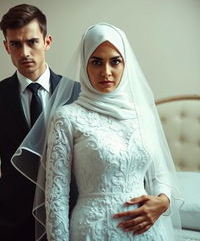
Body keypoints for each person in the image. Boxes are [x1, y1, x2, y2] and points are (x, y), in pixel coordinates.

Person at [44, 23, 183, 240]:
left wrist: (163, 201)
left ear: (125, 64)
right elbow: (56, 195)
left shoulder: (143, 114)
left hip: (147, 231)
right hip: (93, 230)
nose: (106, 72)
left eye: (115, 61)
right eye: (96, 62)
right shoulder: (68, 117)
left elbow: (160, 172)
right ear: (85, 64)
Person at [0, 4, 80, 241]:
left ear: (47, 42)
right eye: (15, 44)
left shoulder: (76, 93)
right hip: (10, 225)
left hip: (69, 220)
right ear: (6, 46)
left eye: (32, 42)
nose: (25, 52)